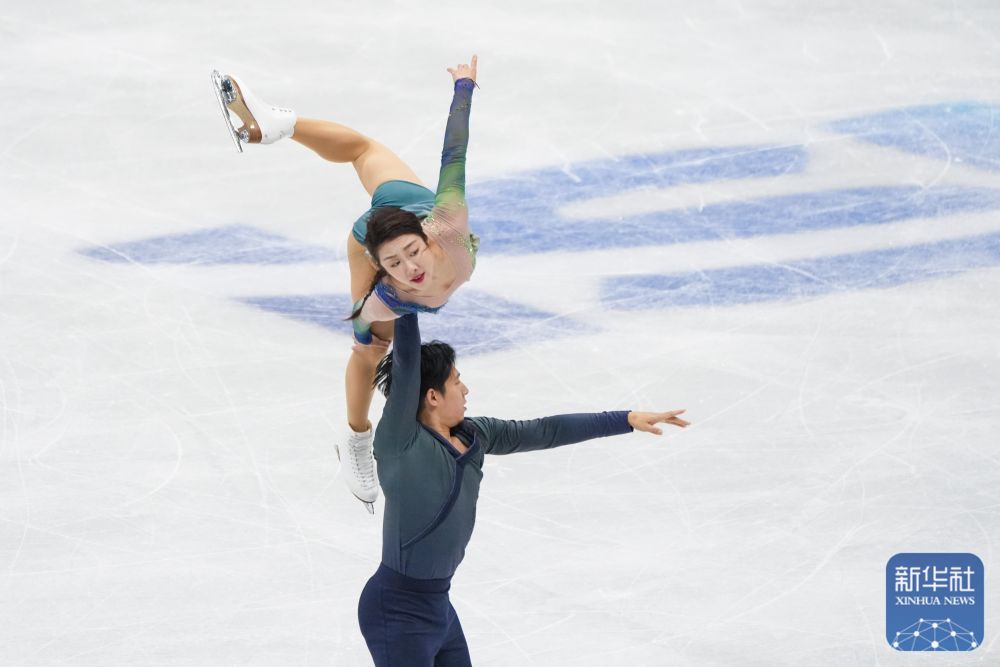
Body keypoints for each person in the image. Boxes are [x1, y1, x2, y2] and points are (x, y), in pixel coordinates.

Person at [211, 57, 481, 511]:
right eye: (395, 264)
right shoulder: (388, 296)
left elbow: (455, 152)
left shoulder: (447, 219)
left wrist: (464, 87)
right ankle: (356, 437)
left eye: (413, 253)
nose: (410, 268)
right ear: (382, 268)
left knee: (362, 149)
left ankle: (278, 124)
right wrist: (368, 322)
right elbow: (363, 326)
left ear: (426, 237)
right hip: (371, 235)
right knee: (369, 349)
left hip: (406, 203)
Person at [359, 312, 689, 666]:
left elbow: (544, 431)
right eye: (456, 381)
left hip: (439, 607)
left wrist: (624, 419)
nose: (466, 389)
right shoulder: (401, 442)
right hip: (398, 611)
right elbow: (407, 360)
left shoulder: (475, 434)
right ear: (432, 396)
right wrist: (407, 300)